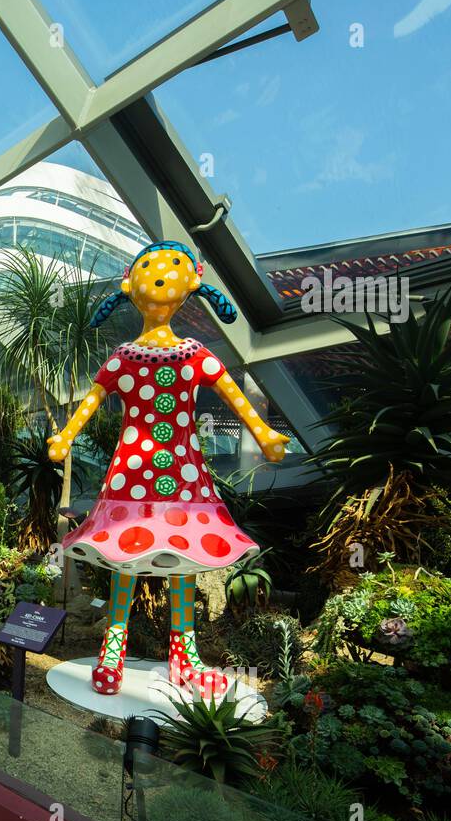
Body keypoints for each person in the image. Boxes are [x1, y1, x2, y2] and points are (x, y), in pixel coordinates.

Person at [47, 241, 290, 698]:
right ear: (129, 286)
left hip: (182, 478)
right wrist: (66, 436)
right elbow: (92, 401)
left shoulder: (195, 354)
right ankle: (113, 652)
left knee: (184, 564)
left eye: (173, 267)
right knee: (124, 558)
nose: (160, 276)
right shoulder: (123, 357)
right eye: (150, 269)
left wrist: (264, 433)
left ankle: (184, 658)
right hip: (132, 480)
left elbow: (236, 397)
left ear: (192, 284)